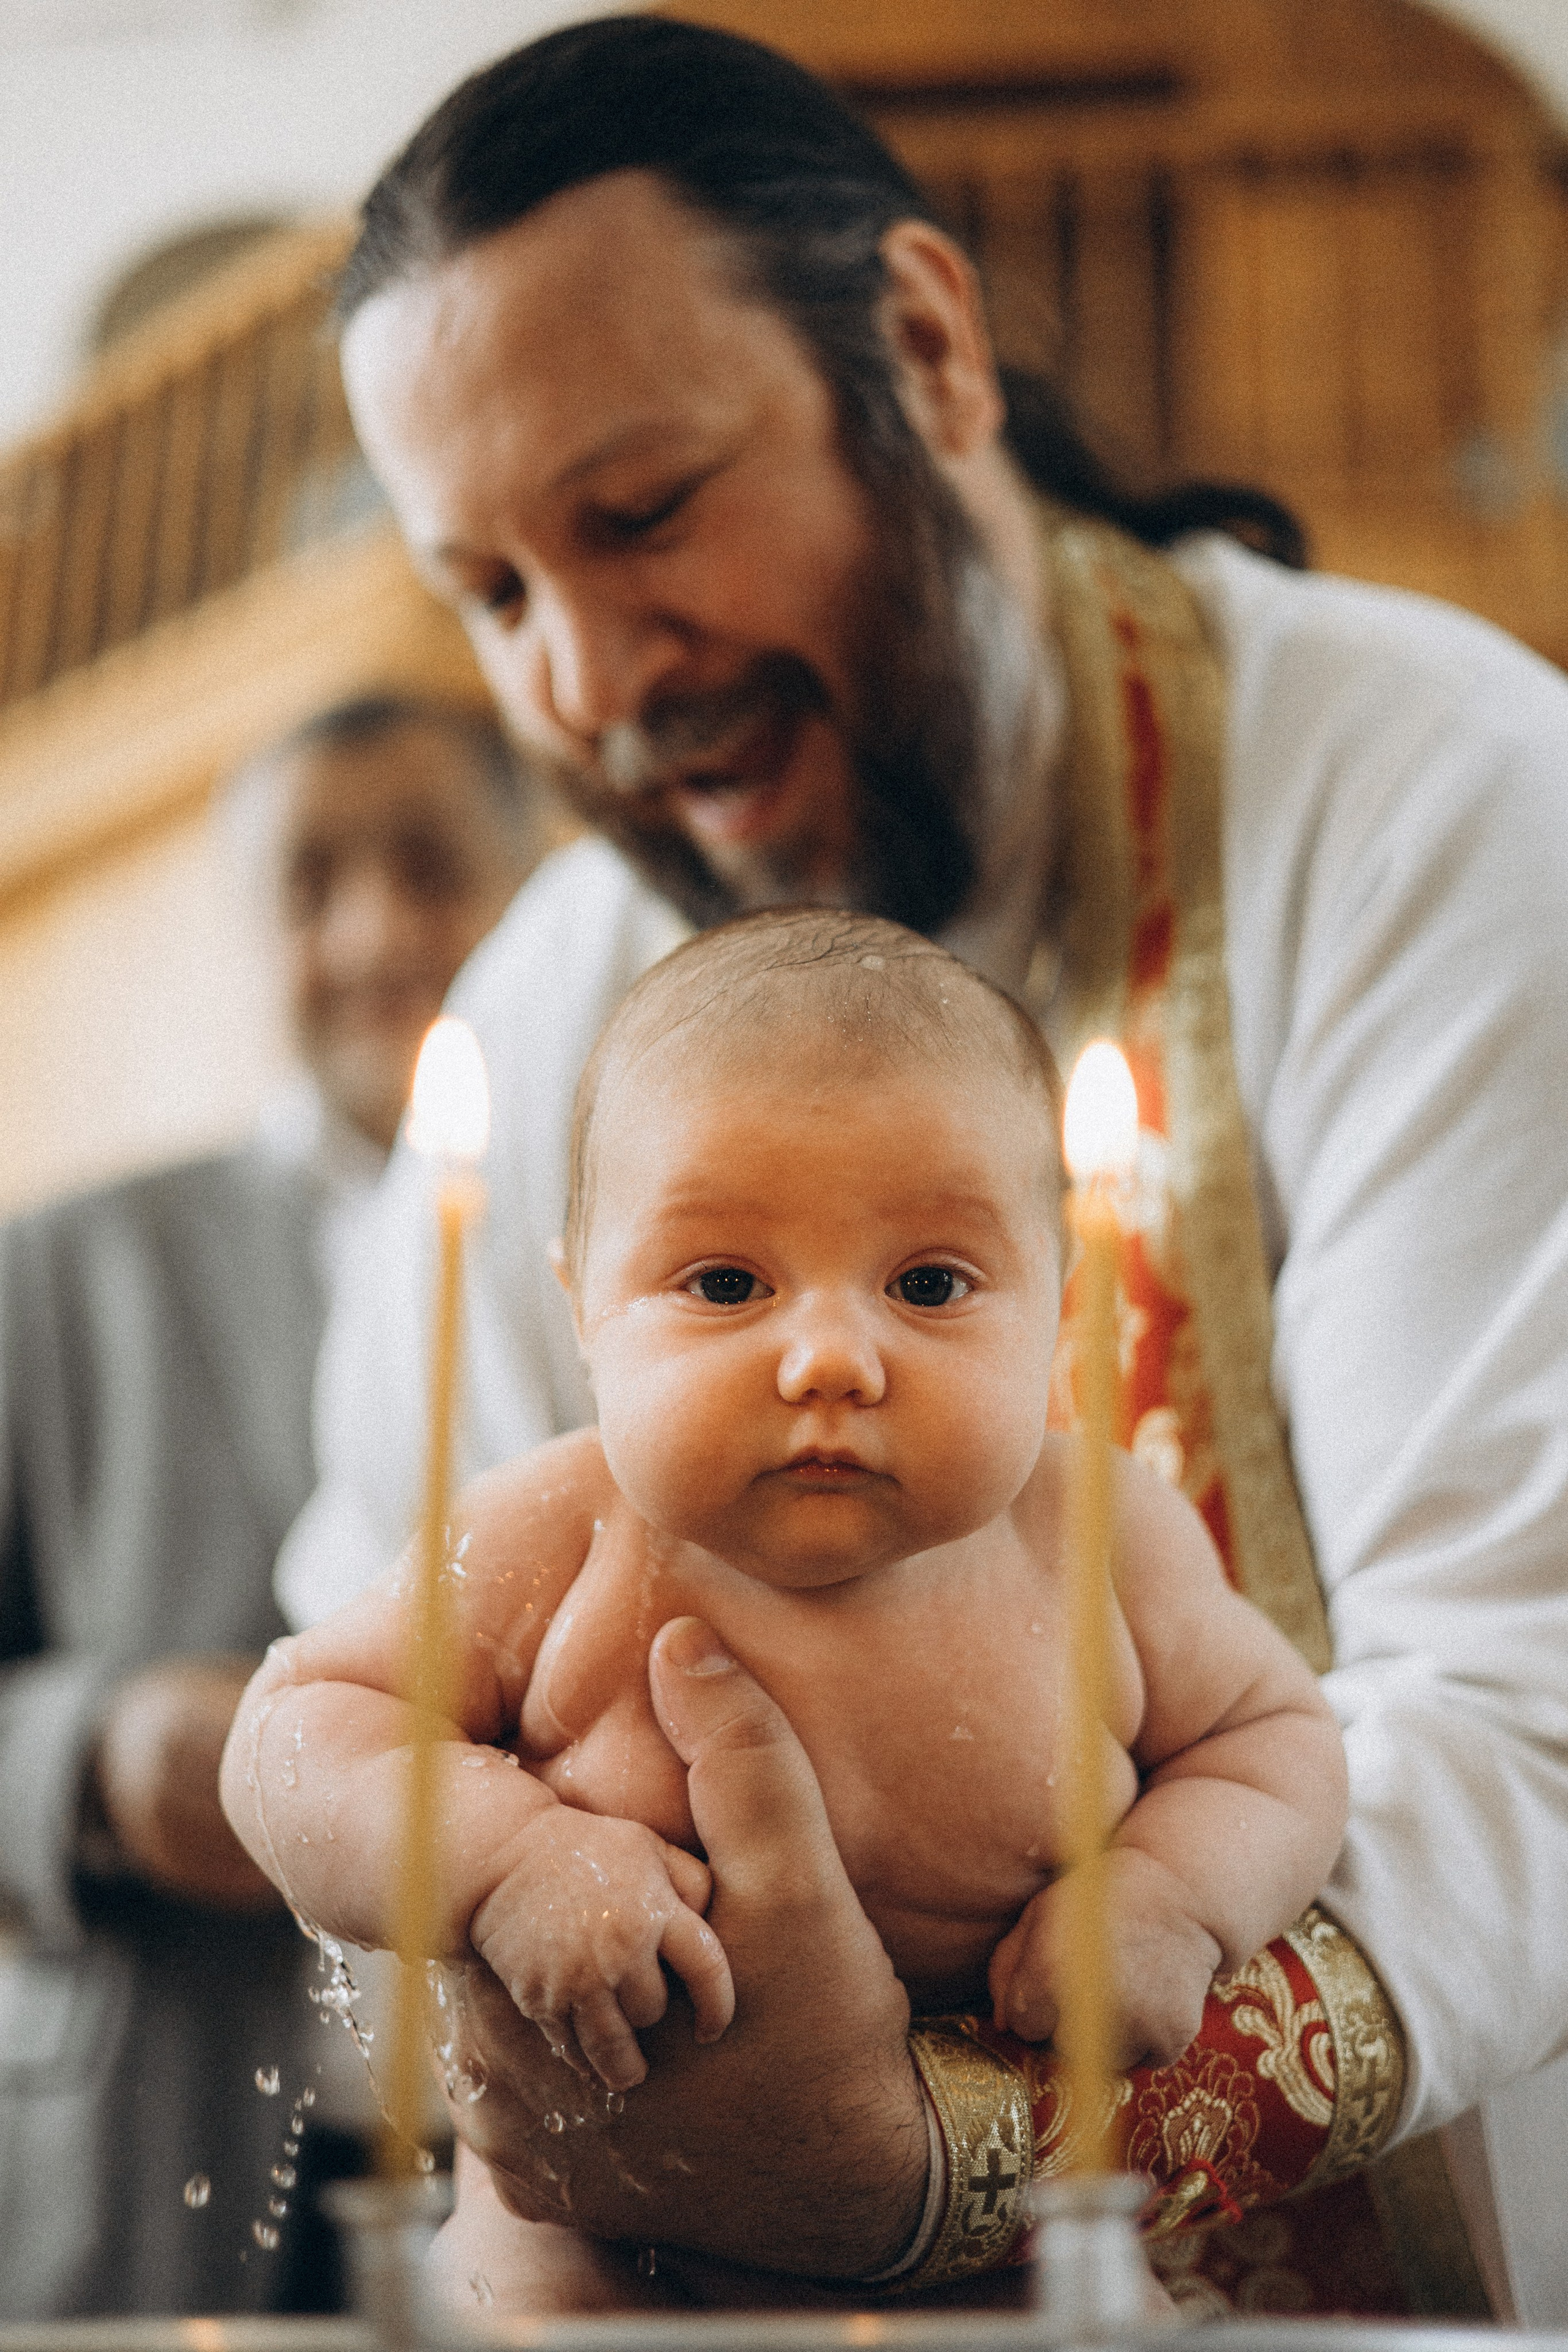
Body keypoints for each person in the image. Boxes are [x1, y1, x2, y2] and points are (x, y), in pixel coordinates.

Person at [275, 16, 1568, 2324]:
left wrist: (940, 2157)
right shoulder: (553, 1007)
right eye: (489, 593)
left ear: (930, 351)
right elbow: (386, 1711)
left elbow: (1535, 1715)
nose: (586, 678)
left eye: (645, 510)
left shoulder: (1441, 803)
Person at [231, 910, 1348, 2313]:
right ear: (583, 1308)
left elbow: (1275, 1742)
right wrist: (509, 1858)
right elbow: (291, 1733)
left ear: (1057, 1307)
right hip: (586, 2266)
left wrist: (1168, 1896)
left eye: (928, 1284)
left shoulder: (1096, 1541)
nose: (829, 1356)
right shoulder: (555, 1536)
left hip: (976, 2267)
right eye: (724, 1284)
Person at [0, 691, 535, 2318]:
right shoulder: (63, 1269)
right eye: (313, 884)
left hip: (561, 2166)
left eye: (432, 867)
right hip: (179, 2139)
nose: (376, 929)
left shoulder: (652, 1266)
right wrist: (91, 1755)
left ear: (536, 889)